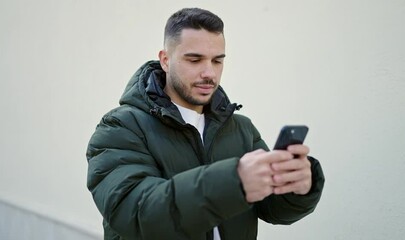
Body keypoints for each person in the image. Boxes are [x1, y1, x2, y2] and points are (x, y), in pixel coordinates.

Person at [86, 7, 325, 240]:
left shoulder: (241, 128)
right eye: (195, 60)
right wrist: (233, 182)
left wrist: (297, 187)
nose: (209, 73)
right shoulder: (119, 127)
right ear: (166, 60)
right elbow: (134, 213)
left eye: (217, 61)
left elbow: (273, 210)